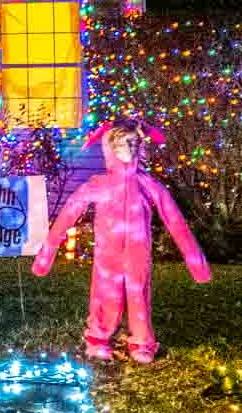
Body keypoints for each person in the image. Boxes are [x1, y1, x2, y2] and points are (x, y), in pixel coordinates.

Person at [31, 118, 210, 363]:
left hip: (137, 253)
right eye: (121, 143)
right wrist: (46, 255)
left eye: (133, 143)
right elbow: (66, 217)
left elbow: (176, 223)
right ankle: (98, 337)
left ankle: (141, 341)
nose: (128, 148)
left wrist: (196, 263)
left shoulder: (149, 185)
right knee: (105, 293)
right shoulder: (98, 185)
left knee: (139, 296)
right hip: (108, 255)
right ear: (109, 147)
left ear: (140, 146)